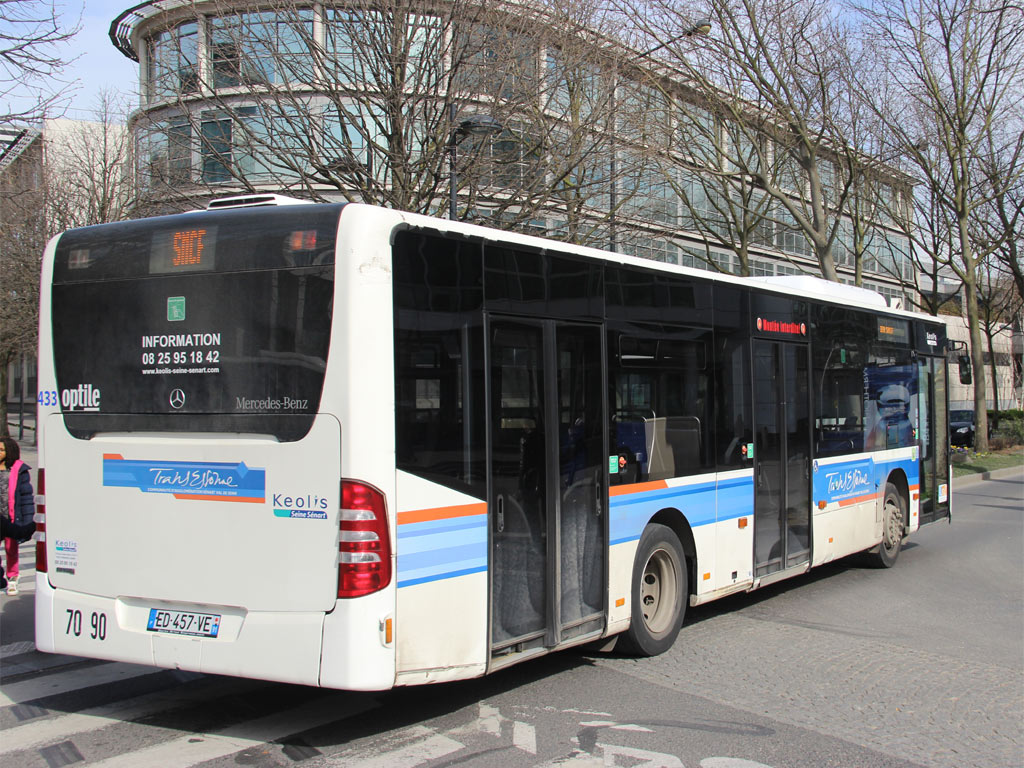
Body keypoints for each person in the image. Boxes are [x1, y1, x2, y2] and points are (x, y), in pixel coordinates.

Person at [1, 437, 35, 596]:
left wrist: (29, 520)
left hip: (11, 515)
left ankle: (12, 578)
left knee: (11, 548)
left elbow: (26, 496)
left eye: (1, 450)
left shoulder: (18, 469)